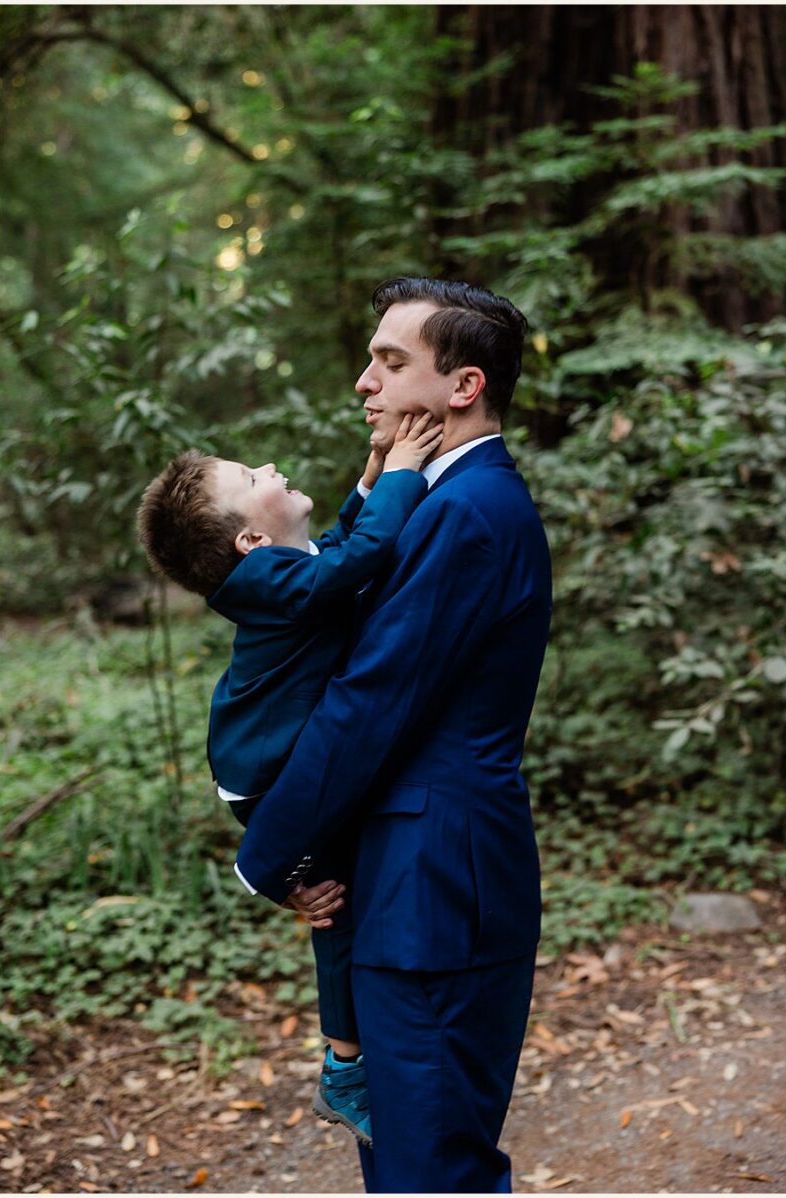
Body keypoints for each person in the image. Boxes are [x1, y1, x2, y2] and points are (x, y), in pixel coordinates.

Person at [234, 277, 550, 1192]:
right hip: (400, 884)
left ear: (464, 387)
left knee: (430, 1169)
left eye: (390, 361)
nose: (364, 382)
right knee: (402, 1160)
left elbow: (371, 702)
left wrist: (267, 855)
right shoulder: (428, 501)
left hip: (438, 890)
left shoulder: (473, 514)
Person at [136, 412, 441, 1146]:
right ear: (250, 542)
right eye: (250, 479)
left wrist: (370, 475)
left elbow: (337, 545)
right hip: (267, 774)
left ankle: (343, 1068)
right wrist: (402, 470)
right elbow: (357, 560)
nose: (269, 470)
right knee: (324, 903)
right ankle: (342, 1066)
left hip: (278, 767)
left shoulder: (275, 566)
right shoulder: (264, 579)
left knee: (335, 905)